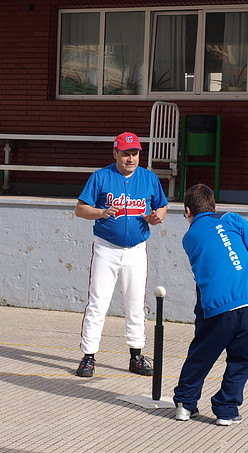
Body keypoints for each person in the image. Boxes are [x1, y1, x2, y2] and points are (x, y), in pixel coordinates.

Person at [173, 184, 248, 425]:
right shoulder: (231, 218)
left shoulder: (190, 237)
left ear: (187, 211)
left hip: (216, 305)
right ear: (214, 206)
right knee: (242, 358)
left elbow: (217, 259)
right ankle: (226, 409)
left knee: (201, 355)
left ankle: (185, 404)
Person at [74, 132, 168, 377]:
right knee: (98, 303)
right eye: (125, 153)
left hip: (136, 250)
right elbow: (80, 209)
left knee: (136, 304)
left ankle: (136, 356)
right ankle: (88, 356)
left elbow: (162, 205)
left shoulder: (148, 178)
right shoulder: (101, 177)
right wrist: (101, 213)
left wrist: (157, 216)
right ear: (115, 153)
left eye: (134, 153)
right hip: (106, 248)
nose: (130, 158)